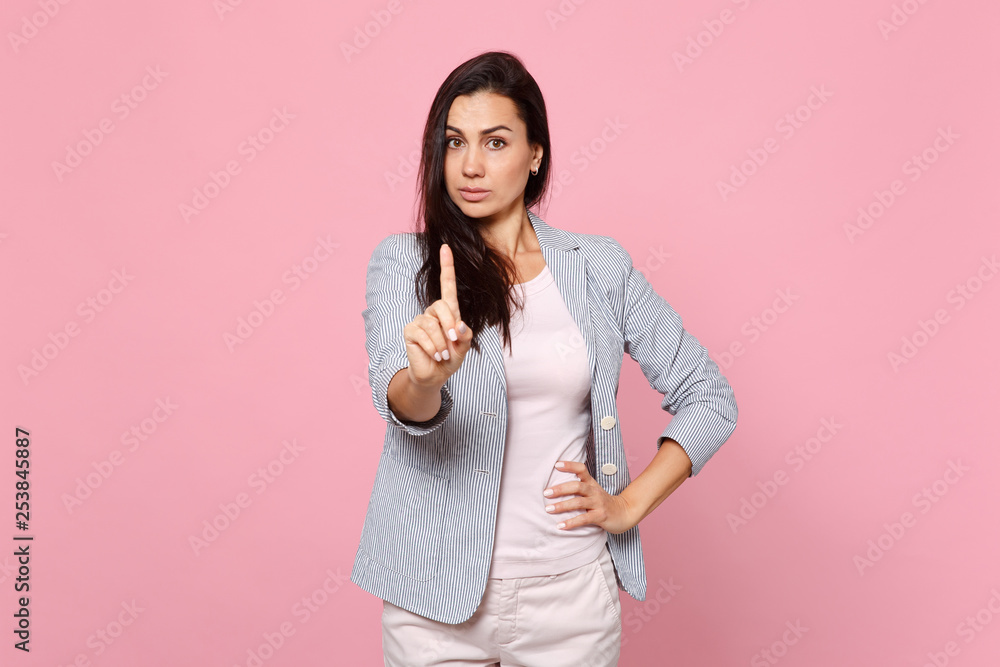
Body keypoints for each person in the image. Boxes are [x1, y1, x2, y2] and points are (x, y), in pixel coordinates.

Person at [353, 50, 739, 667]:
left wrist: (627, 505)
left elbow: (710, 399)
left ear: (535, 154)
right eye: (454, 142)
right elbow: (398, 399)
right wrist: (425, 382)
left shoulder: (599, 267)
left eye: (495, 142)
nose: (470, 165)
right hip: (431, 599)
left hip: (570, 599)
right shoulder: (406, 262)